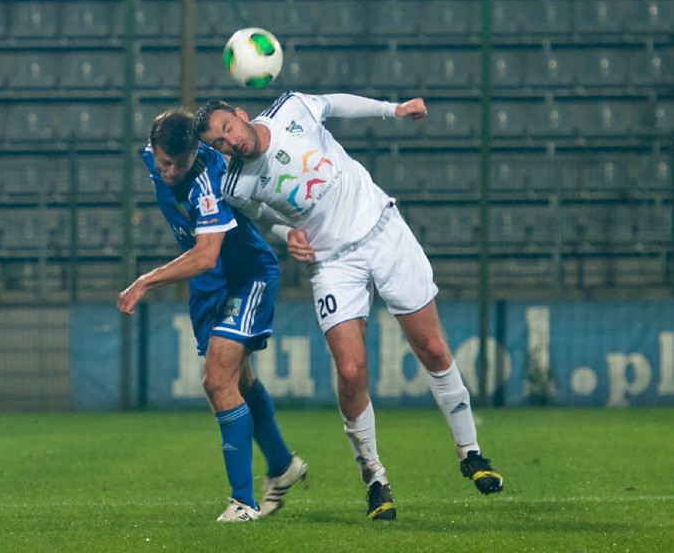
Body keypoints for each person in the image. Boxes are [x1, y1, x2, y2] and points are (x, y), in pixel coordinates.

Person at [194, 92, 504, 522]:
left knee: (431, 347)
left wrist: (392, 110)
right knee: (352, 372)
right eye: (220, 144)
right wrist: (287, 234)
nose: (230, 143)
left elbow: (335, 104)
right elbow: (262, 212)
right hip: (332, 262)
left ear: (240, 116)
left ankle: (471, 454)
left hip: (382, 230)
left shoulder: (291, 110)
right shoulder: (234, 184)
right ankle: (375, 479)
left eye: (228, 130)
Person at [118, 109, 307, 522]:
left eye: (178, 164)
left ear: (193, 154)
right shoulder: (153, 154)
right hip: (208, 289)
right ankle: (282, 465)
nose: (168, 171)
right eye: (163, 162)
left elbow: (206, 256)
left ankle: (243, 502)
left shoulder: (208, 177)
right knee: (238, 380)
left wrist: (146, 281)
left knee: (217, 379)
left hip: (245, 275)